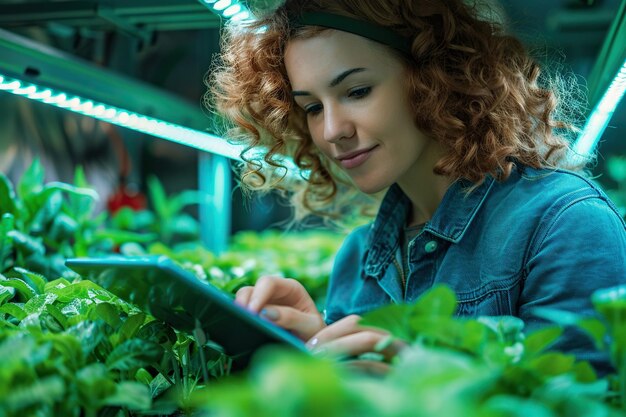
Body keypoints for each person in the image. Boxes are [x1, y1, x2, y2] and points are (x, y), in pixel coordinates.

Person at [208, 0, 626, 374]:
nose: (332, 130)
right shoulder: (357, 260)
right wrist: (317, 346)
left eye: (357, 91)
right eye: (313, 108)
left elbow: (581, 402)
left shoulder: (564, 224)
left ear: (435, 78)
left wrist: (425, 385)